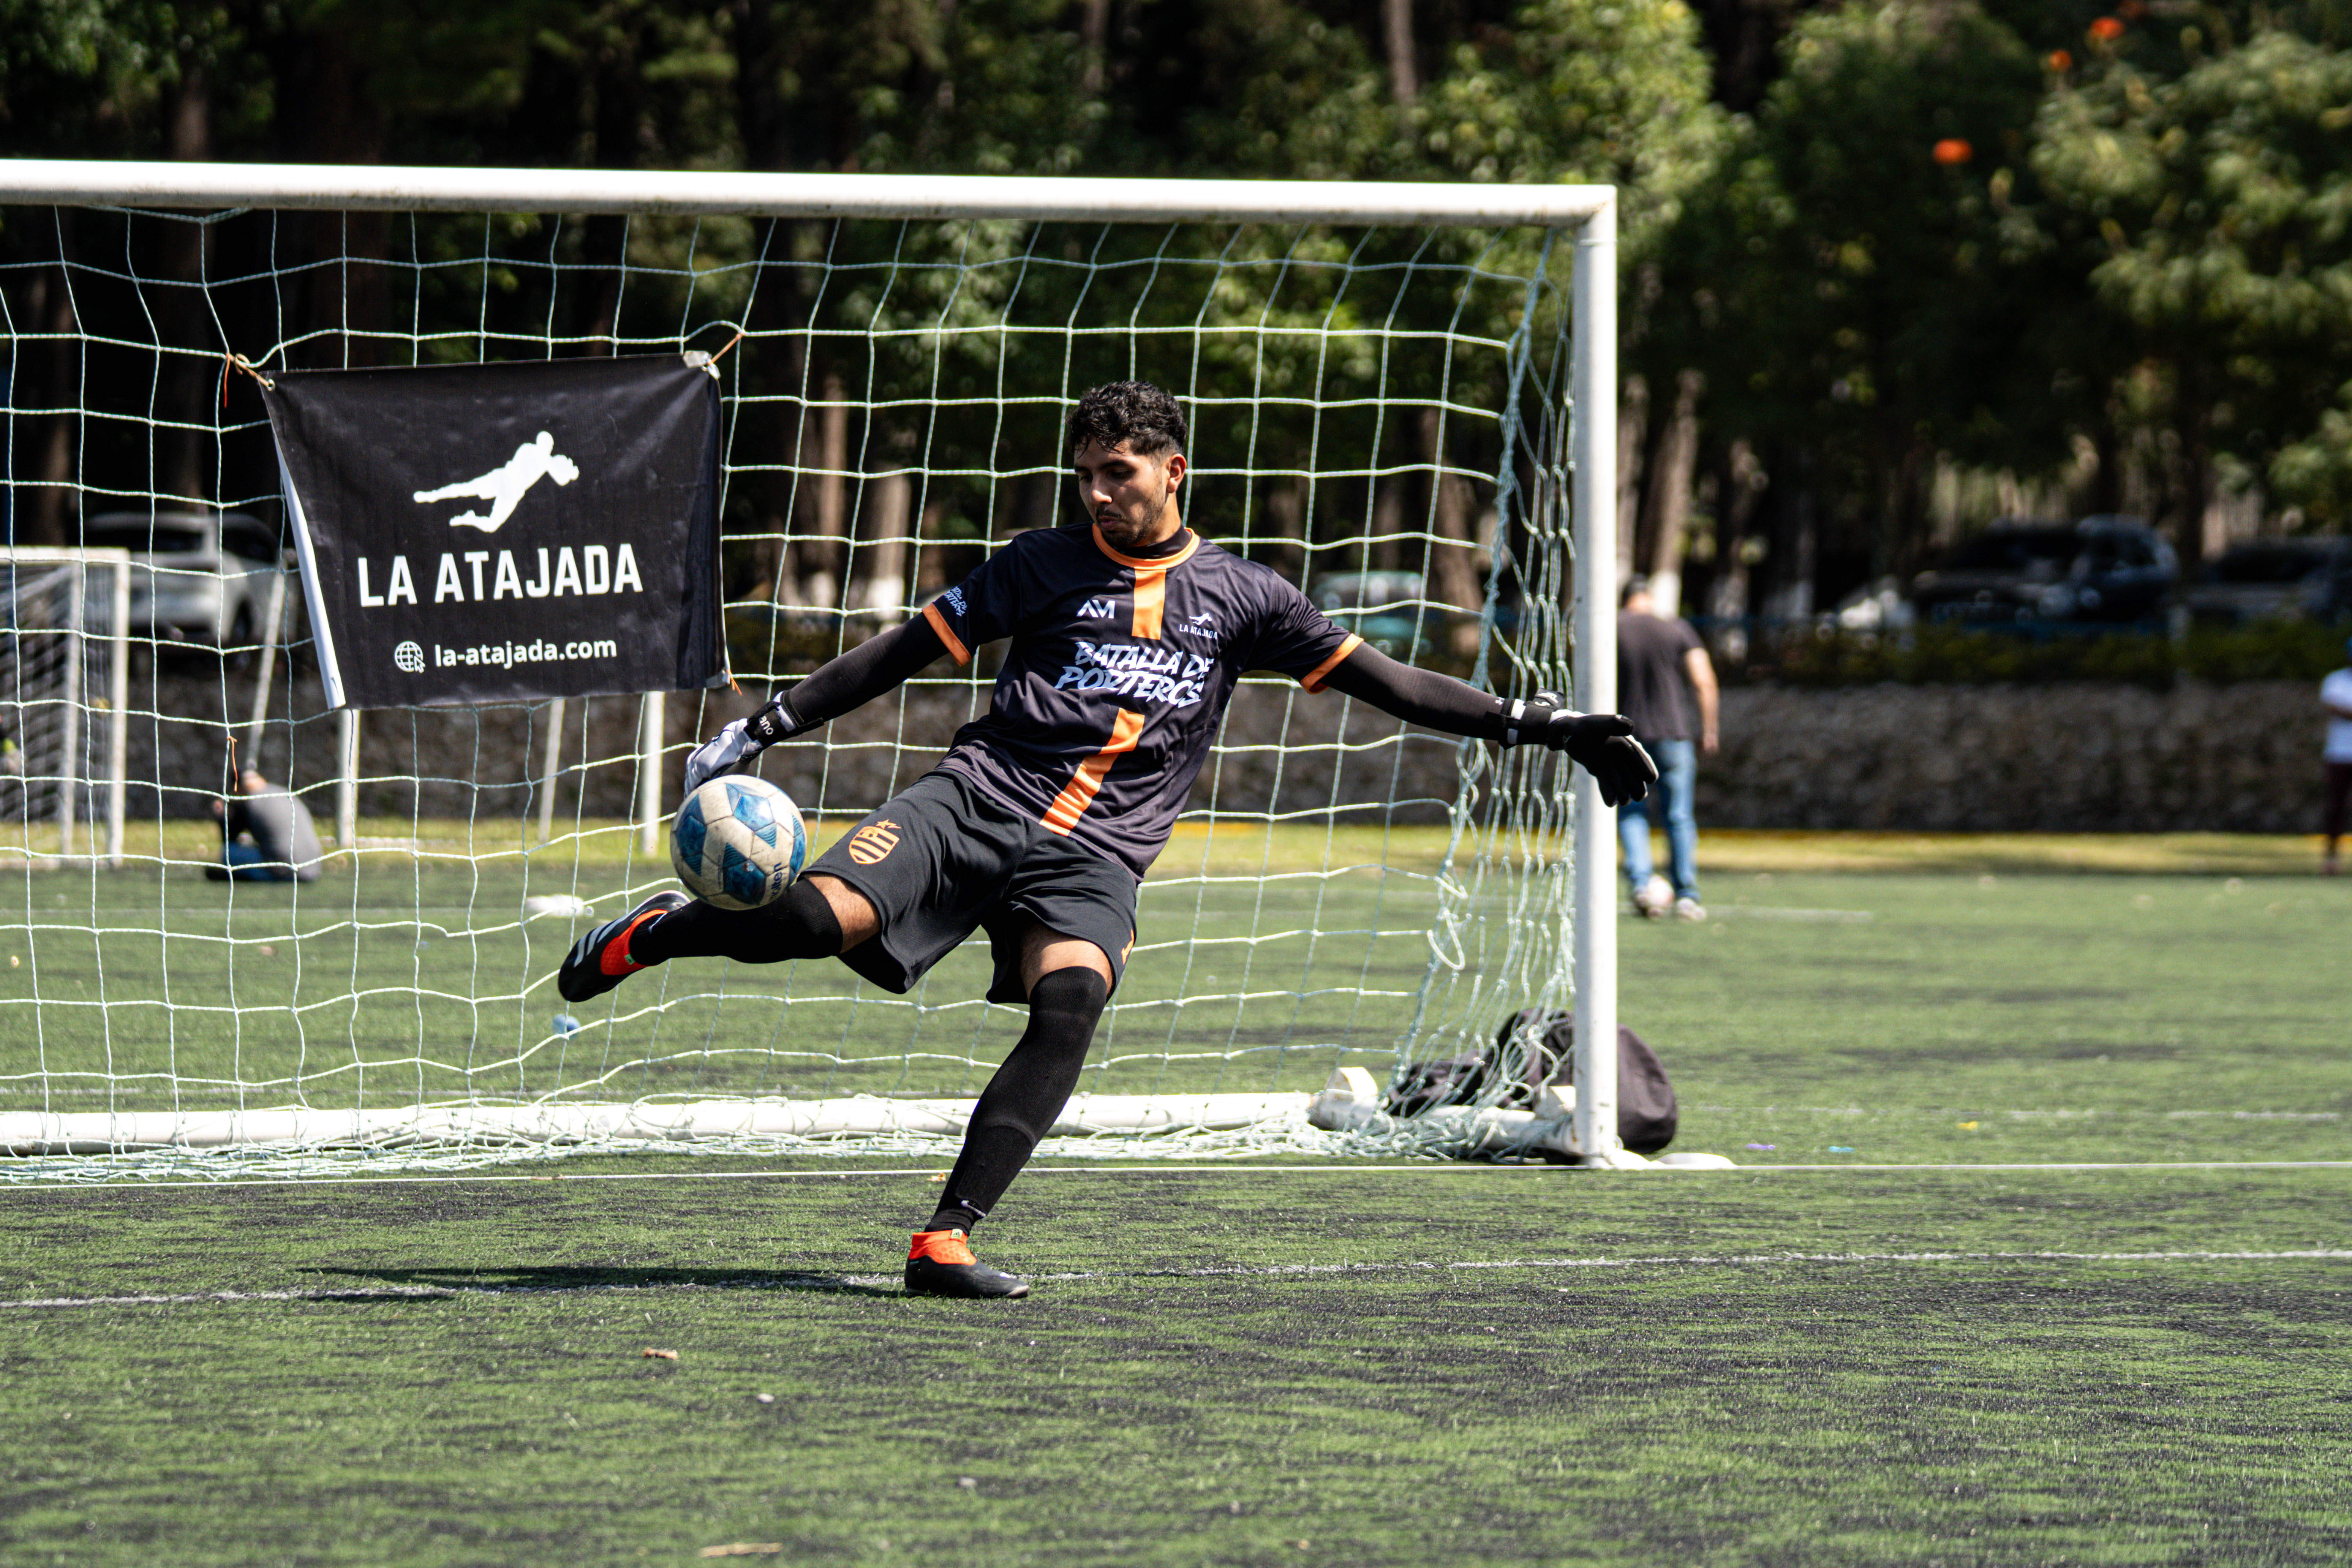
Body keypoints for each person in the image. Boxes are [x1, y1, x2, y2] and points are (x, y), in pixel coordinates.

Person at [555, 381, 1656, 1299]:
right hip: (975, 800)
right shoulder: (1041, 563)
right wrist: (768, 723)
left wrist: (1539, 723)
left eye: (1118, 475)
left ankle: (945, 1238)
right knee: (809, 921)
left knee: (1074, 999)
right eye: (1085, 475)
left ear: (1173, 469)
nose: (1098, 494)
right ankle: (661, 934)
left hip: (1099, 853)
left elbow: (1393, 684)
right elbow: (899, 652)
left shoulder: (1245, 597)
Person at [1615, 574, 1718, 922]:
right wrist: (1709, 729)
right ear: (1649, 598)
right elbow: (1704, 680)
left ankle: (1643, 884)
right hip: (1674, 735)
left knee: (1631, 813)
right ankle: (1687, 894)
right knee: (1679, 816)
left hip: (1627, 738)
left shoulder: (1611, 627)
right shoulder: (1676, 628)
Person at [207, 766, 325, 883]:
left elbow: (230, 839)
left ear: (238, 789)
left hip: (286, 873)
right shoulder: (283, 792)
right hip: (313, 869)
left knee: (230, 853)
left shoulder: (251, 803)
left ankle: (247, 876)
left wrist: (223, 815)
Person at [2324, 637, 2352, 876]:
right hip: (2340, 754)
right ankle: (2331, 858)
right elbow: (2335, 708)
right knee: (2336, 807)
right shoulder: (2336, 680)